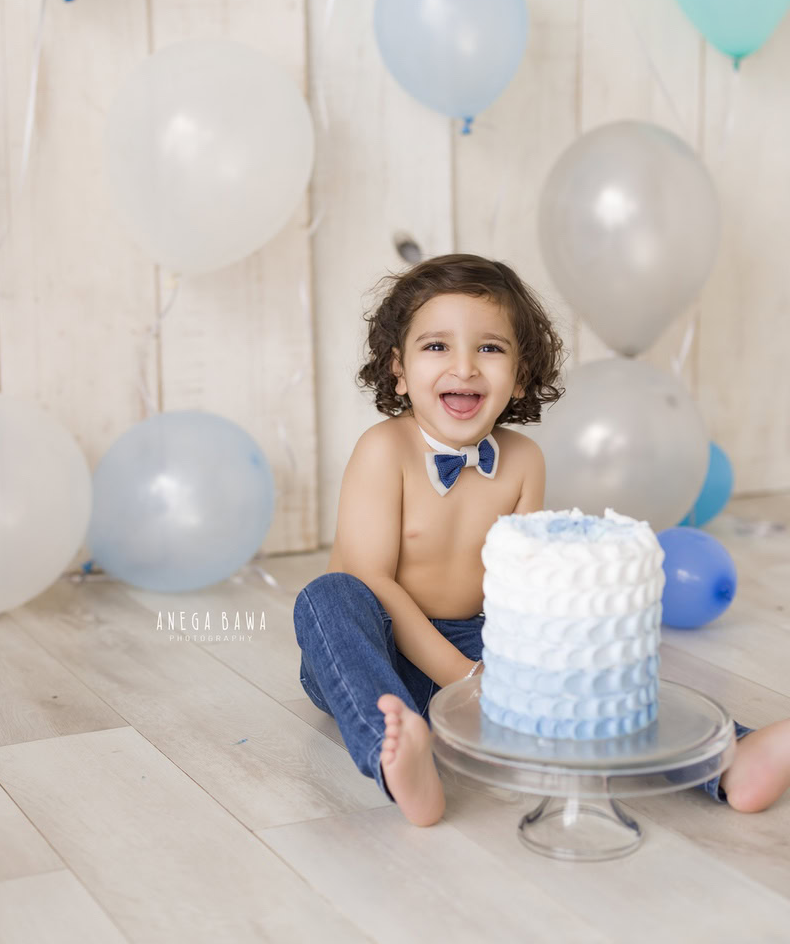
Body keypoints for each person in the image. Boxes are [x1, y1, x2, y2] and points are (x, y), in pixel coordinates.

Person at [293, 253, 790, 826]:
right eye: (436, 347)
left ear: (522, 373)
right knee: (327, 596)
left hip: (482, 642)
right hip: (373, 651)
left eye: (490, 348)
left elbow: (525, 581)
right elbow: (370, 580)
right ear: (398, 369)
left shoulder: (524, 460)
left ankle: (728, 758)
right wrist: (464, 678)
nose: (465, 367)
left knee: (585, 672)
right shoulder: (385, 450)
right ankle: (401, 760)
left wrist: (540, 660)